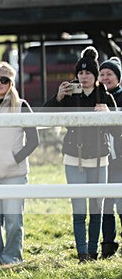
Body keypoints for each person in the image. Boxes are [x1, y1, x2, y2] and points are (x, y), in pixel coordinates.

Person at [44, 47, 118, 262]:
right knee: (79, 210)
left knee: (97, 208)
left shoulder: (104, 96)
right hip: (73, 158)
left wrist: (109, 115)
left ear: (95, 75)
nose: (84, 77)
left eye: (88, 73)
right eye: (80, 73)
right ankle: (82, 252)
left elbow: (117, 130)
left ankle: (93, 252)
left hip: (99, 158)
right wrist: (57, 98)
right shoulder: (69, 95)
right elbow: (46, 117)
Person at [0, 62, 39, 265]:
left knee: (13, 220)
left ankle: (12, 257)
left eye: (4, 80)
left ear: (11, 83)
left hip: (14, 173)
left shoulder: (22, 107)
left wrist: (14, 160)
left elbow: (33, 141)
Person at [98, 56, 122, 258]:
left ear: (118, 78)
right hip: (103, 157)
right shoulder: (95, 97)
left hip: (120, 158)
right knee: (105, 203)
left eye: (110, 74)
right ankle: (107, 244)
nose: (105, 77)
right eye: (102, 74)